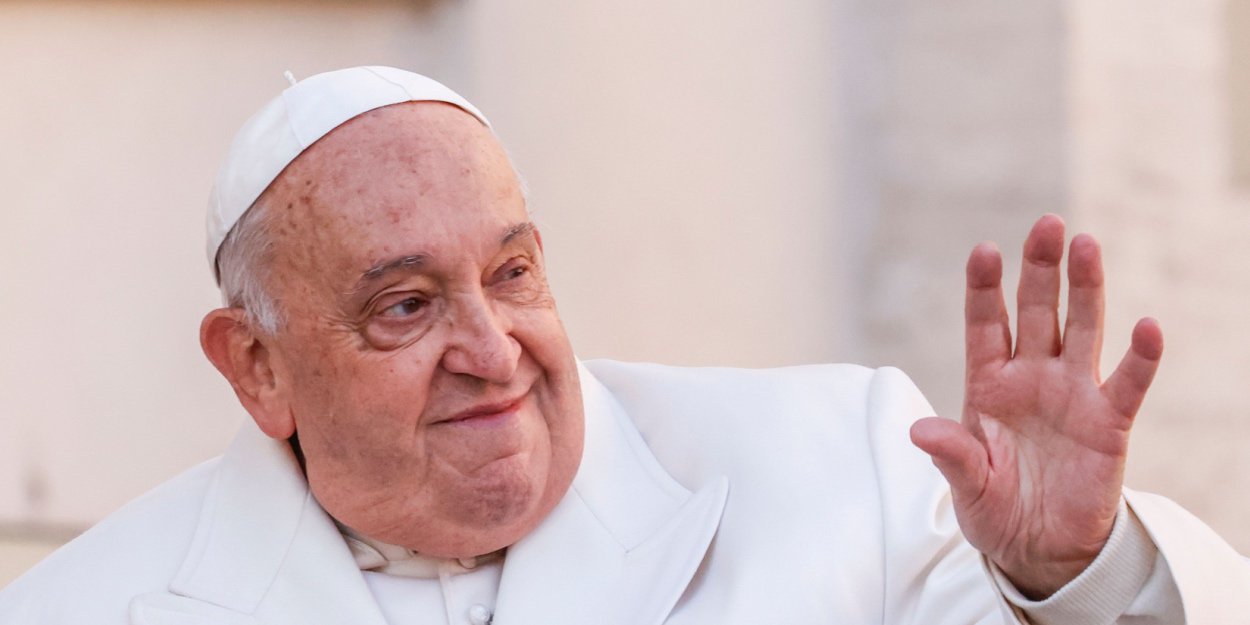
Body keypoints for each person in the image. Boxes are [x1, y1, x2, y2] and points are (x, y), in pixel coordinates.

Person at [1, 66, 1245, 625]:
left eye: (512, 272)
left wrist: (1072, 579)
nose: (492, 348)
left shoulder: (838, 465)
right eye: (406, 305)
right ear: (255, 365)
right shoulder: (82, 610)